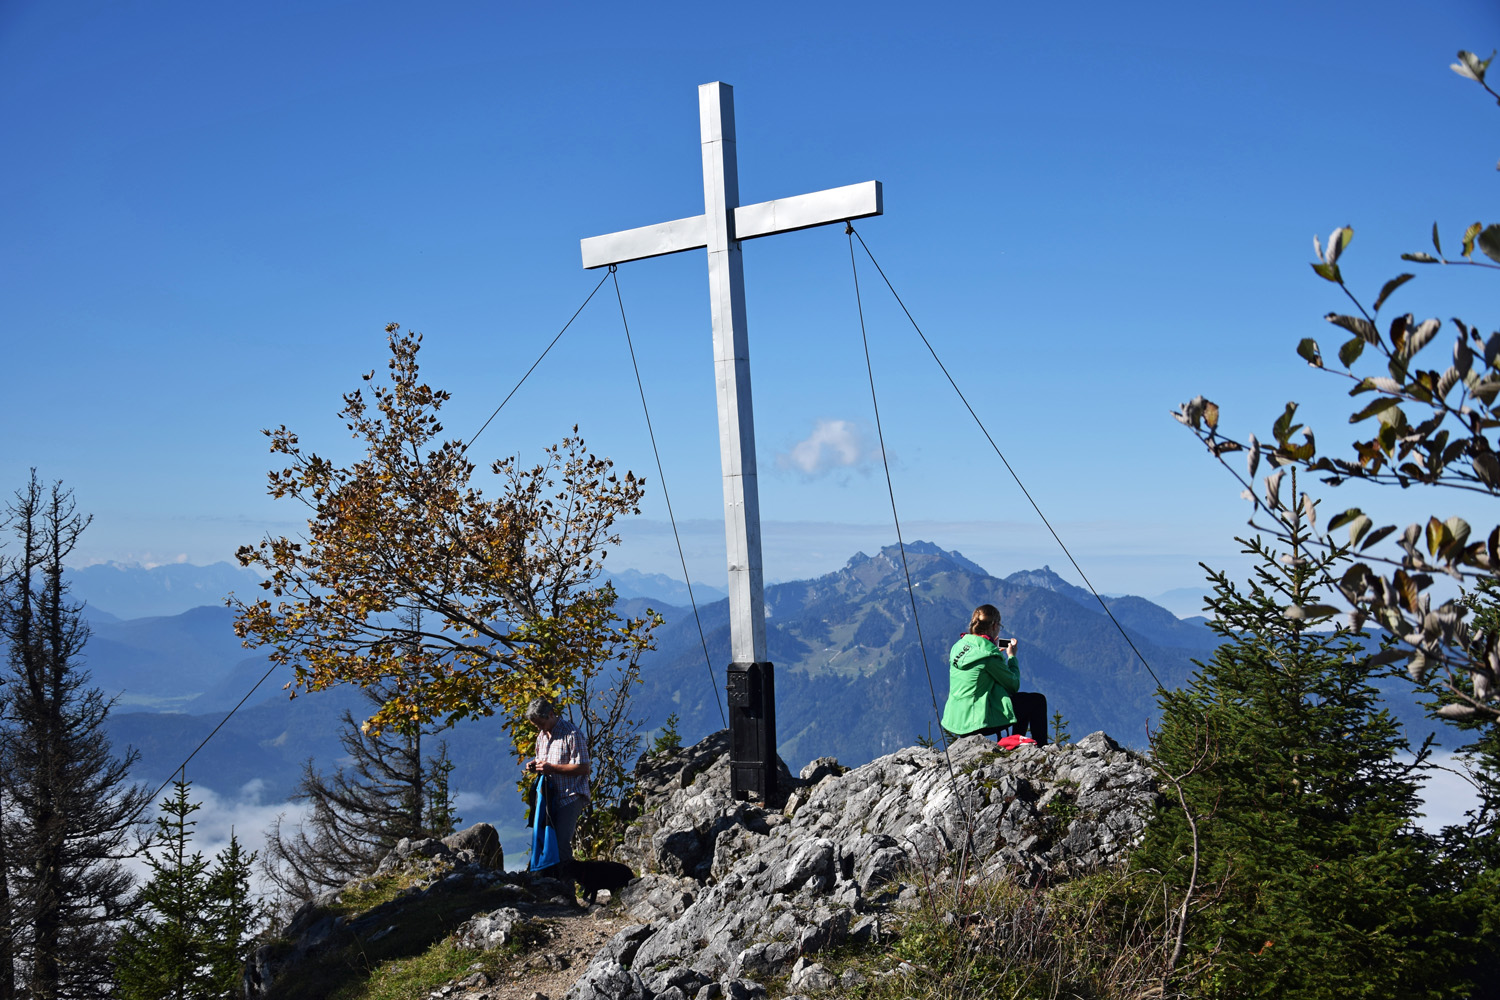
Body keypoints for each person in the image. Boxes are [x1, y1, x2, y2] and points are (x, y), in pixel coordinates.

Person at [941, 604, 1048, 745]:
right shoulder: (989, 655)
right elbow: (1013, 684)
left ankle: (1016, 742)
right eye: (999, 625)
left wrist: (993, 648)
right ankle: (1039, 746)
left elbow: (978, 667)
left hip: (957, 719)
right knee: (1036, 701)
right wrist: (1012, 657)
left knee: (1021, 702)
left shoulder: (959, 646)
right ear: (994, 625)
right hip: (978, 722)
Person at [523, 697, 591, 870]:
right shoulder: (542, 736)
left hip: (571, 796)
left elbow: (583, 768)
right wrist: (535, 765)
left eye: (541, 723)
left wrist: (552, 768)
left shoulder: (572, 734)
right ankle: (552, 884)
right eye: (536, 725)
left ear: (551, 714)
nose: (539, 728)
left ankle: (566, 889)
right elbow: (543, 761)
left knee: (560, 844)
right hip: (550, 796)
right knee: (547, 843)